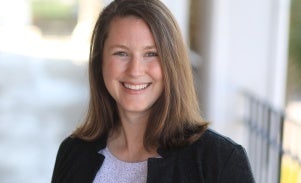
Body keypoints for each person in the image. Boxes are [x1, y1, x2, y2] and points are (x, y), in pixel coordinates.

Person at [51, 0, 255, 182]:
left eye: (151, 54)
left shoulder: (219, 161)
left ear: (172, 63)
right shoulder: (72, 152)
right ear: (100, 62)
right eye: (121, 53)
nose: (135, 70)